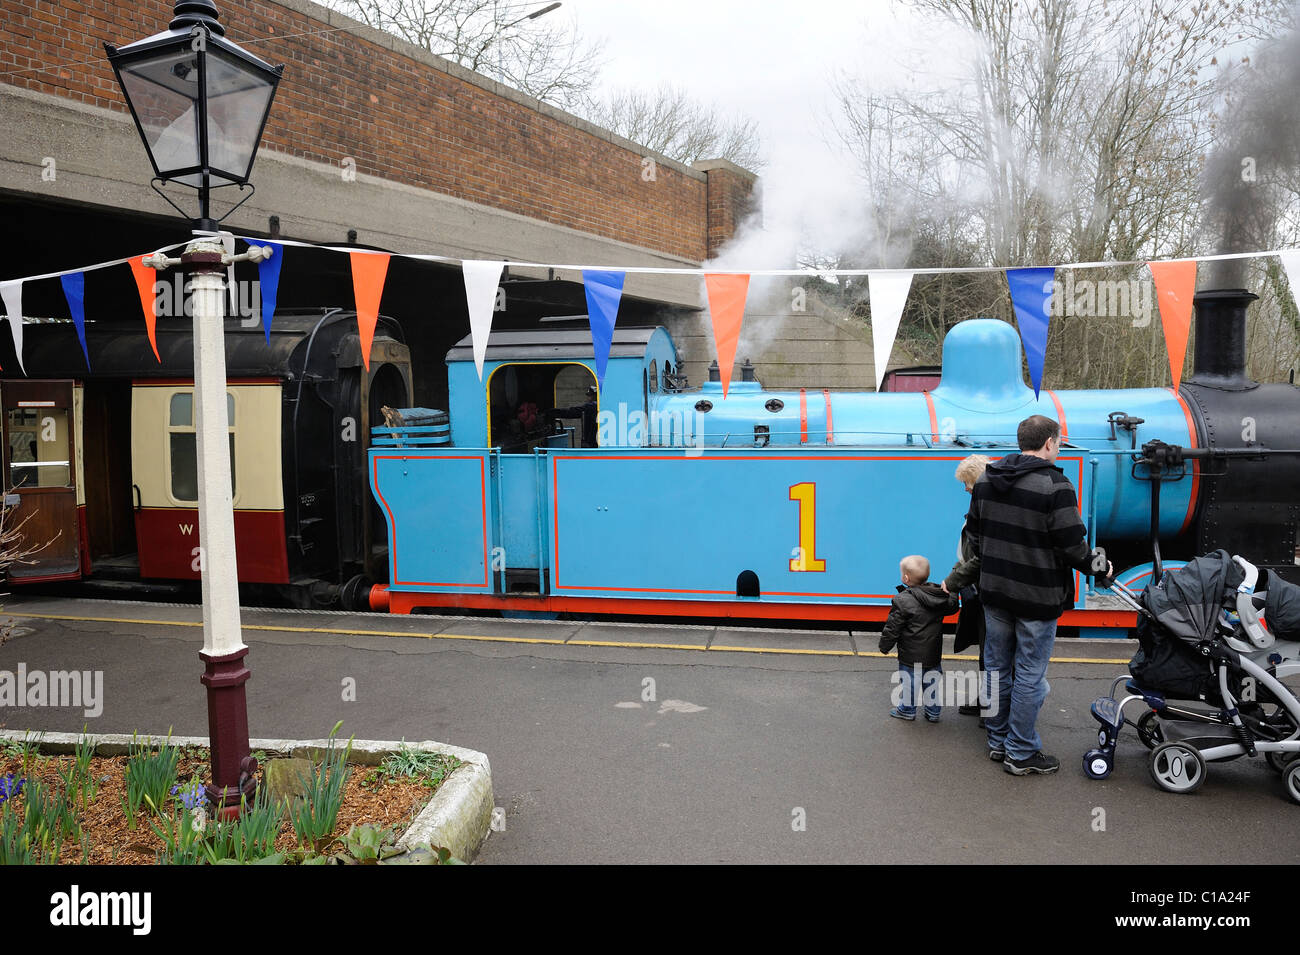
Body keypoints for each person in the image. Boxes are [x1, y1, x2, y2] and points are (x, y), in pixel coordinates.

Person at [966, 415, 1110, 775]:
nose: (1058, 448)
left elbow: (974, 536)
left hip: (995, 593)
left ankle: (998, 742)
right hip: (1037, 597)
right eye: (1058, 443)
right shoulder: (1054, 485)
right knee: (1029, 673)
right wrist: (1100, 567)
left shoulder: (986, 479)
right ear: (1048, 443)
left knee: (997, 670)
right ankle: (1021, 751)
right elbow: (1072, 547)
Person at [878, 555, 959, 723]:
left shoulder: (902, 600)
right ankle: (933, 712)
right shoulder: (938, 596)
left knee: (909, 684)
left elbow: (893, 628)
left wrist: (884, 646)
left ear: (905, 578)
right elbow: (952, 606)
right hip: (933, 654)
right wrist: (952, 587)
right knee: (932, 683)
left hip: (910, 656)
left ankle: (907, 710)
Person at [941, 454, 990, 718]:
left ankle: (991, 710)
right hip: (977, 586)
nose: (965, 488)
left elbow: (978, 557)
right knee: (988, 651)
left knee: (992, 653)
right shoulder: (980, 505)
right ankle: (987, 701)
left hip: (986, 589)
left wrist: (953, 581)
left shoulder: (985, 509)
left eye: (967, 483)